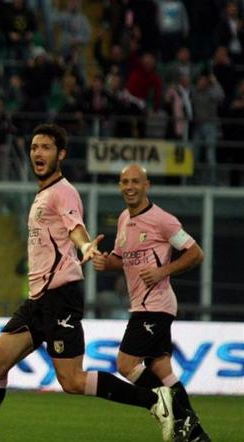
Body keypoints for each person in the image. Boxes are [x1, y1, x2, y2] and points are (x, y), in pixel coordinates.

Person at [0, 124, 179, 442]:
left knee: (72, 381)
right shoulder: (43, 194)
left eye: (46, 147)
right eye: (34, 147)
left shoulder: (63, 191)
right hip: (37, 301)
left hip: (60, 297)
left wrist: (86, 246)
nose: (38, 153)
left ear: (60, 154)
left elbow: (76, 227)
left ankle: (155, 400)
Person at [93, 164, 208, 441]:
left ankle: (177, 414)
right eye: (124, 182)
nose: (129, 186)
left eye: (135, 181)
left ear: (147, 185)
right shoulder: (123, 219)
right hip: (144, 305)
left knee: (125, 363)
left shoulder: (162, 220)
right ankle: (196, 434)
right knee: (161, 369)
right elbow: (121, 260)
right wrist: (104, 262)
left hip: (155, 305)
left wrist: (162, 271)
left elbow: (196, 253)